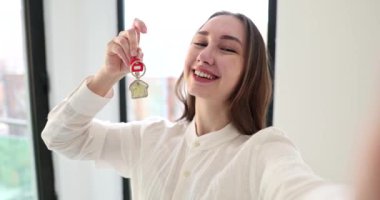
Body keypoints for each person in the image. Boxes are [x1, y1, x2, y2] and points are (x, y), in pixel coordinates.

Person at [41, 11, 350, 199]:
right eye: (200, 42)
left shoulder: (263, 150)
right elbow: (59, 136)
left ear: (250, 73)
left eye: (227, 48)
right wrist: (107, 74)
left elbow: (300, 190)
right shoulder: (149, 138)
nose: (206, 54)